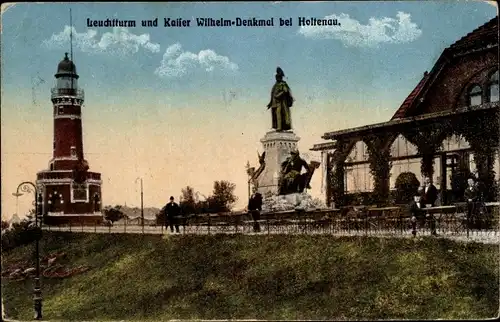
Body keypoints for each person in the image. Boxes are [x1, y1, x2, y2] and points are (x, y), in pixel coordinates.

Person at [267, 67, 294, 131]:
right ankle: (277, 127)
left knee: (279, 114)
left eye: (277, 77)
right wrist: (270, 103)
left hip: (280, 103)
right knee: (275, 115)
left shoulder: (283, 84)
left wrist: (279, 95)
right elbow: (273, 95)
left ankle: (280, 127)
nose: (276, 79)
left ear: (280, 77)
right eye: (276, 78)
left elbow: (285, 91)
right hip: (274, 103)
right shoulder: (275, 85)